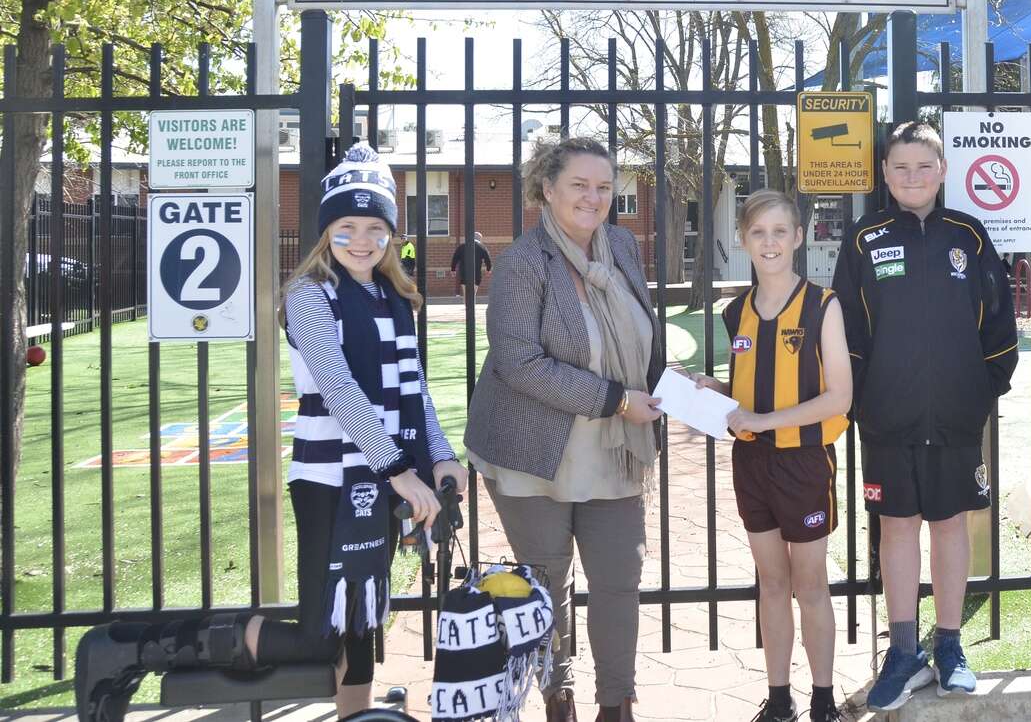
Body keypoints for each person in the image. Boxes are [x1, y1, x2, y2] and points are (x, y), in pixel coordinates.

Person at [74, 142, 466, 722]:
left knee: (360, 619)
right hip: (329, 480)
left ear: (391, 233)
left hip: (386, 478)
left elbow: (416, 390)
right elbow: (338, 391)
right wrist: (401, 472)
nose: (362, 240)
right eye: (347, 226)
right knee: (316, 633)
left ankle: (353, 717)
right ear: (324, 231)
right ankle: (134, 647)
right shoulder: (310, 295)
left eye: (375, 227)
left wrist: (441, 457)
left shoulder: (394, 297)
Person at [463, 137, 664, 722]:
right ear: (547, 190)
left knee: (618, 578)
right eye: (579, 185)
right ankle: (558, 691)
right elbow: (518, 362)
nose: (593, 197)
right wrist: (614, 399)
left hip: (615, 451)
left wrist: (671, 381)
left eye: (604, 186)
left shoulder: (622, 245)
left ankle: (616, 703)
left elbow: (636, 335)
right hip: (533, 449)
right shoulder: (525, 261)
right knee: (548, 580)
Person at [833, 121, 1017, 710]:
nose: (912, 177)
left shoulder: (970, 234)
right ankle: (904, 649)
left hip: (957, 417)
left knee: (950, 524)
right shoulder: (864, 239)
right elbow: (849, 333)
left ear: (942, 171)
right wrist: (862, 399)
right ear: (884, 174)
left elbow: (1000, 322)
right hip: (888, 417)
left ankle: (949, 645)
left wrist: (982, 388)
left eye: (923, 166)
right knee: (897, 526)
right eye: (900, 167)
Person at [690, 190, 851, 722]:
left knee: (809, 584)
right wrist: (709, 387)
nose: (770, 242)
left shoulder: (823, 305)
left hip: (804, 464)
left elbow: (838, 398)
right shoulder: (735, 310)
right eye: (758, 232)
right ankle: (779, 700)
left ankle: (823, 701)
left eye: (780, 231)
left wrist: (761, 421)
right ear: (743, 240)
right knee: (772, 584)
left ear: (799, 237)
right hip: (752, 465)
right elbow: (750, 395)